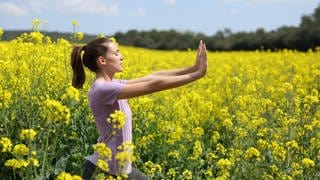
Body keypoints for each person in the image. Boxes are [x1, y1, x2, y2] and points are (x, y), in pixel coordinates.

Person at [70, 37, 207, 179]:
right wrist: (196, 75)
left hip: (118, 168)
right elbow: (154, 85)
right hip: (102, 170)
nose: (121, 57)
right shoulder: (103, 89)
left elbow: (152, 77)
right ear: (102, 61)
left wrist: (193, 68)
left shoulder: (112, 84)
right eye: (116, 53)